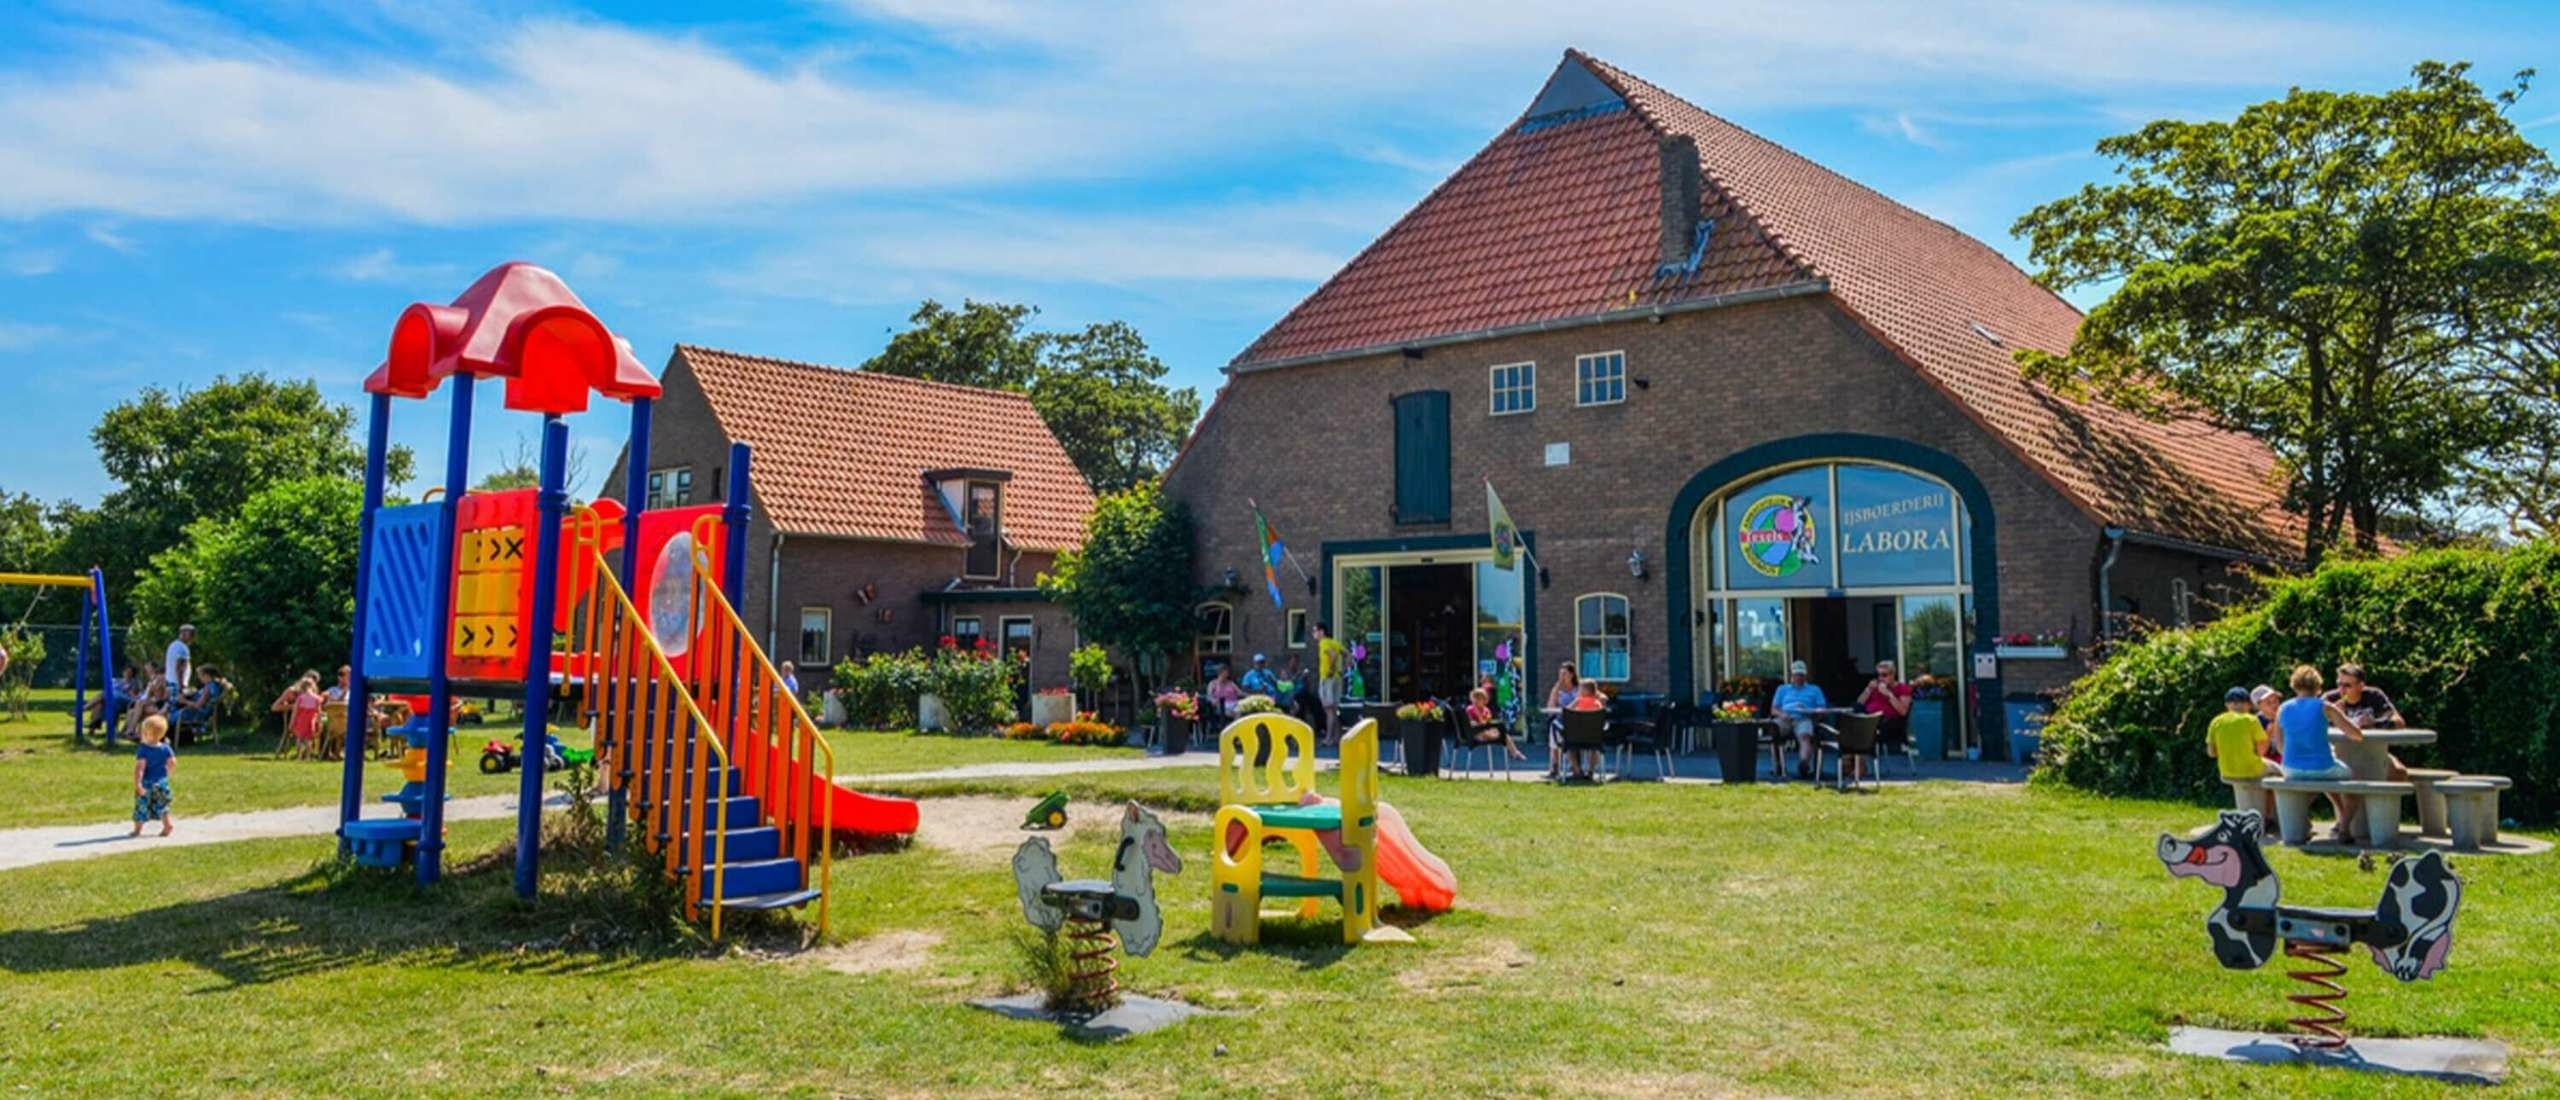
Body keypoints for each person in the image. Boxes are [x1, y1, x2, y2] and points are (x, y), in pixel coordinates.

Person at [2277, 664, 2366, 842]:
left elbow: (2280, 746)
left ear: (2294, 685)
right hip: (2322, 767)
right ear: (2318, 687)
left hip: (2290, 768)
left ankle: (2303, 822)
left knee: (2317, 784)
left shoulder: (2283, 708)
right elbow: (2356, 735)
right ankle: (2344, 828)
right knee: (2355, 783)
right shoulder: (2325, 707)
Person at [2207, 686, 2282, 828]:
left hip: (2227, 771)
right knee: (2280, 772)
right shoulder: (2251, 720)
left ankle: (2258, 820)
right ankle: (2272, 817)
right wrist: (2268, 735)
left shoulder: (2216, 721)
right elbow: (2260, 752)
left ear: (2227, 705)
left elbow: (2211, 753)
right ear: (2248, 705)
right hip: (2252, 768)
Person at [1770, 660, 1830, 781]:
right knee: (1774, 729)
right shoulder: (1782, 689)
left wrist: (1809, 710)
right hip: (1786, 717)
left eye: (1801, 675)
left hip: (1804, 717)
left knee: (1805, 735)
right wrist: (1782, 714)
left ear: (1805, 675)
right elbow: (1774, 709)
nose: (1799, 677)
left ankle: (1803, 764)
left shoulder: (1814, 689)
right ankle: (1778, 765)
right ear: (1792, 675)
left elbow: (1822, 709)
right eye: (1796, 675)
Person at [1856, 659, 1914, 773]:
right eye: (1878, 675)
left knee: (1862, 729)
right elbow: (1859, 703)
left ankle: (1859, 767)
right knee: (1853, 720)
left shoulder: (1902, 688)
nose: (1881, 678)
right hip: (1869, 719)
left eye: (1884, 675)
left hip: (1890, 723)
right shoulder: (1875, 688)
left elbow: (1903, 711)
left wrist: (1889, 694)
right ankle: (1854, 765)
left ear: (1893, 674)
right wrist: (1868, 690)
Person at [130, 714, 175, 837]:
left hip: (147, 782)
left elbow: (140, 768)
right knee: (162, 805)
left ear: (146, 733)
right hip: (161, 782)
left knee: (141, 805)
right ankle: (167, 825)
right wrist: (167, 773)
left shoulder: (143, 749)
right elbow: (172, 762)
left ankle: (137, 830)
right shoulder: (166, 748)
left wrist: (138, 783)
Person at [1463, 686, 1527, 763]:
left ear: (1484, 700)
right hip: (1474, 734)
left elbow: (1486, 722)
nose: (1477, 701)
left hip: (1486, 732)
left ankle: (1515, 752)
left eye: (1479, 699)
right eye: (1475, 699)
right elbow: (1469, 722)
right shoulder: (1470, 709)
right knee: (1483, 729)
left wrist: (1482, 718)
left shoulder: (1486, 710)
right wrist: (1478, 718)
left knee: (1504, 735)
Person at [1545, 661, 1582, 779]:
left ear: (1572, 675)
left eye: (1564, 674)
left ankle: (1573, 766)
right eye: (1560, 674)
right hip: (1561, 720)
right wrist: (1556, 688)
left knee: (1559, 731)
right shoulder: (1557, 690)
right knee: (1554, 727)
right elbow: (1550, 708)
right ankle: (1555, 766)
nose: (1562, 677)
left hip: (1577, 721)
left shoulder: (1579, 689)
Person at [1313, 623, 1347, 743]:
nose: (1314, 634)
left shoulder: (1323, 643)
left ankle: (1328, 738)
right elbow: (1347, 655)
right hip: (1337, 679)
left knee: (1328, 710)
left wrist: (1331, 670)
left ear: (1321, 632)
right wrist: (1343, 670)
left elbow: (1332, 655)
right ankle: (1337, 737)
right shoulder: (1334, 642)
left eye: (1315, 631)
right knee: (1334, 710)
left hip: (1327, 679)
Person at [164, 624, 194, 694]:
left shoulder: (173, 645)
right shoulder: (182, 648)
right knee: (177, 704)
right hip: (177, 684)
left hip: (169, 681)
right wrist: (181, 686)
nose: (192, 638)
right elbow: (179, 668)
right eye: (191, 635)